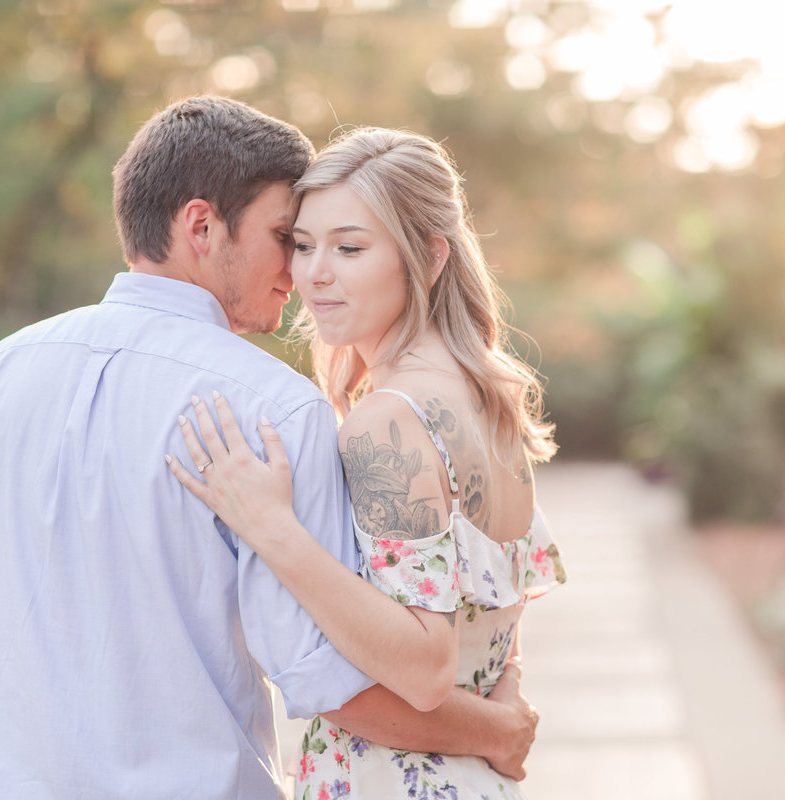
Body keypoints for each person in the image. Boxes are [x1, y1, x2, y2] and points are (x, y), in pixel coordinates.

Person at [0, 97, 539, 800]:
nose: (299, 271)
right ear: (202, 227)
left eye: (338, 246)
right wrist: (498, 731)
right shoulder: (273, 411)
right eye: (288, 238)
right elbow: (329, 679)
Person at [169, 127, 566, 799]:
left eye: (349, 248)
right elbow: (498, 623)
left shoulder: (388, 421)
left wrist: (271, 528)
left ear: (428, 258)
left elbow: (426, 667)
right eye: (302, 245)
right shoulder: (485, 400)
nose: (312, 273)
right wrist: (503, 717)